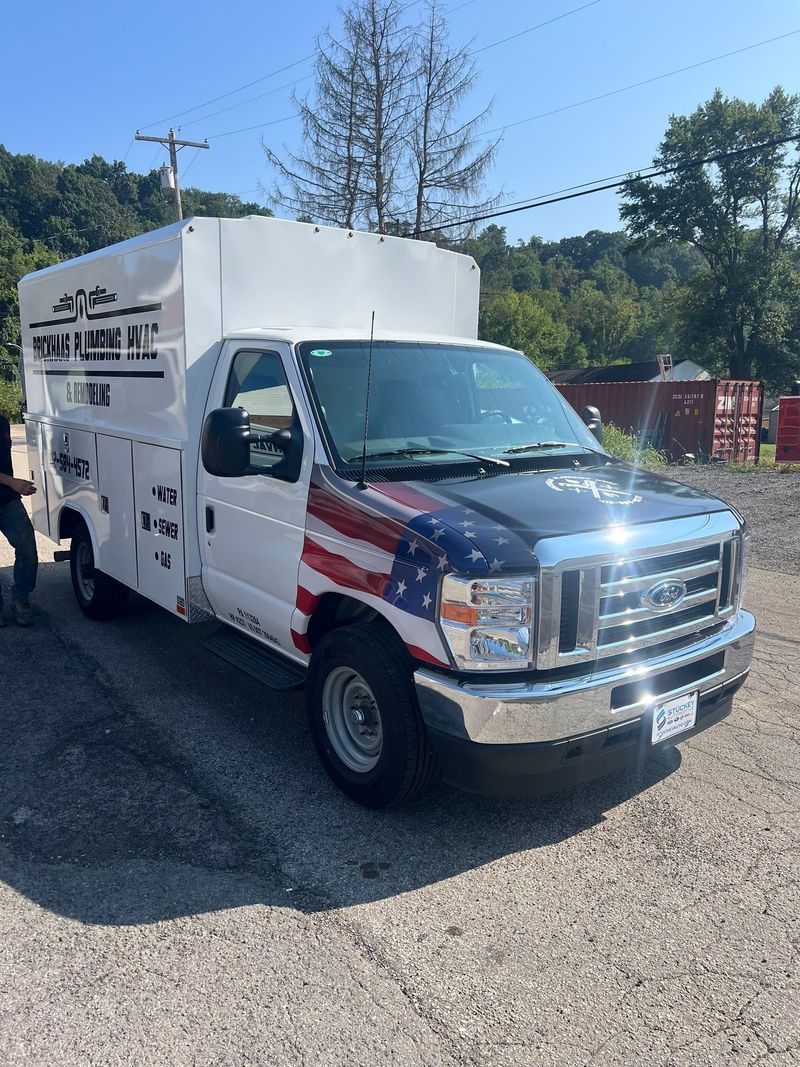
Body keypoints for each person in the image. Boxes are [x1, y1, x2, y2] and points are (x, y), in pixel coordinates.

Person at [0, 414, 38, 626]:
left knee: (27, 549)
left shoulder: (2, 422)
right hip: (9, 488)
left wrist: (15, 486)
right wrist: (11, 481)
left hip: (7, 500)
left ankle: (20, 599)